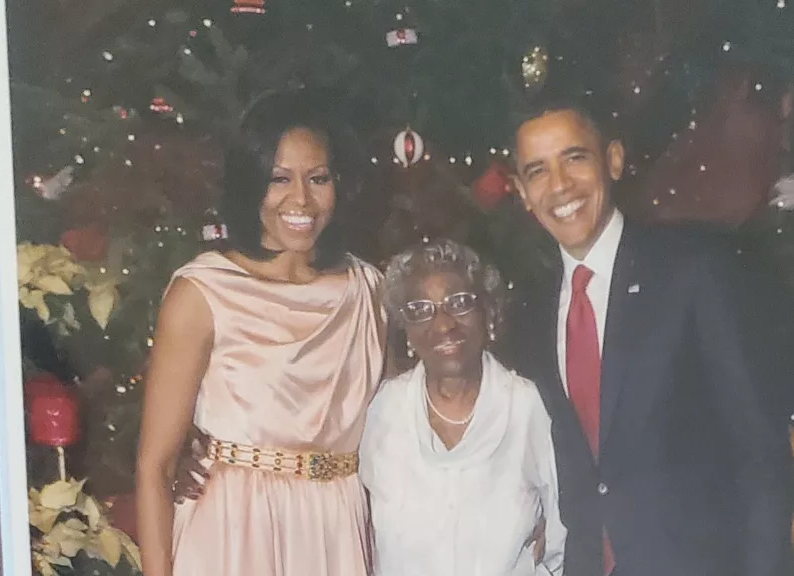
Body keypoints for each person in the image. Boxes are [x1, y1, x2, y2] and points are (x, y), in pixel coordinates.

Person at [505, 93, 794, 576]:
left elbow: (759, 453)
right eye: (537, 171)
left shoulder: (693, 270)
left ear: (613, 160)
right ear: (521, 191)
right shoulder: (533, 311)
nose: (560, 186)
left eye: (574, 158)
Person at [136, 89, 385, 576]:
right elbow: (154, 468)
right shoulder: (203, 292)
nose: (301, 200)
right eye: (278, 179)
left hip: (336, 534)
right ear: (251, 184)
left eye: (318, 179)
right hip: (231, 535)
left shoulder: (367, 290)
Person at [360, 238, 565, 576]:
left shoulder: (528, 407)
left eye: (459, 303)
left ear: (487, 312)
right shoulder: (384, 410)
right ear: (406, 330)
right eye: (420, 309)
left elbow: (563, 535)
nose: (443, 324)